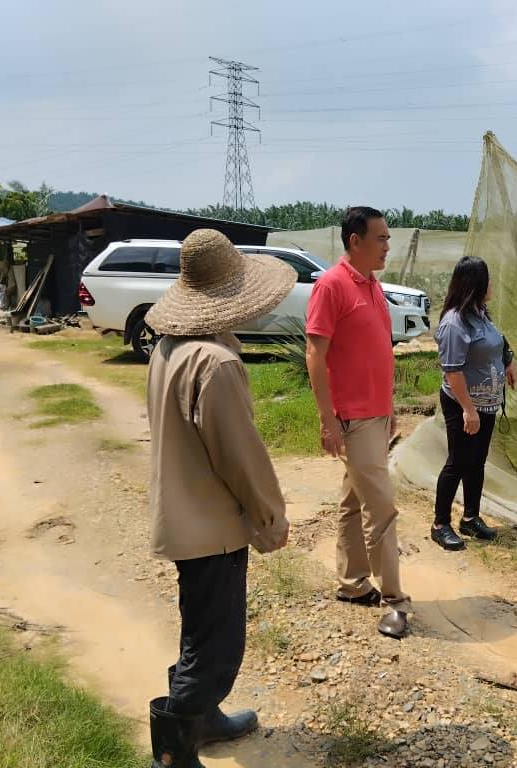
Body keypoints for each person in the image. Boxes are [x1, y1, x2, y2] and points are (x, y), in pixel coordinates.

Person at [143, 229, 295, 767]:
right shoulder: (218, 363)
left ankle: (201, 719)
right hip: (211, 526)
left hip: (184, 518)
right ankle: (173, 753)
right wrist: (270, 519)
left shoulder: (170, 348)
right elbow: (241, 458)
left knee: (200, 626)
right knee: (217, 645)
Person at [305, 206, 412, 640]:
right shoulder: (332, 286)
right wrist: (328, 419)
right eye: (381, 238)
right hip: (352, 417)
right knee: (381, 509)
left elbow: (375, 353)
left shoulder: (372, 285)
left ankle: (352, 583)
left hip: (375, 413)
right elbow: (316, 354)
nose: (388, 245)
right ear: (355, 241)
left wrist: (388, 410)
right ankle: (395, 601)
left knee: (353, 502)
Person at [431, 256, 517, 551]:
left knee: (477, 462)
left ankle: (470, 518)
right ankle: (440, 524)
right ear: (476, 284)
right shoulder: (455, 322)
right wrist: (468, 410)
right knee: (457, 462)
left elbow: (496, 341)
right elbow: (452, 371)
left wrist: (509, 360)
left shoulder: (480, 313)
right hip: (463, 404)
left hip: (487, 403)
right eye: (488, 279)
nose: (492, 284)